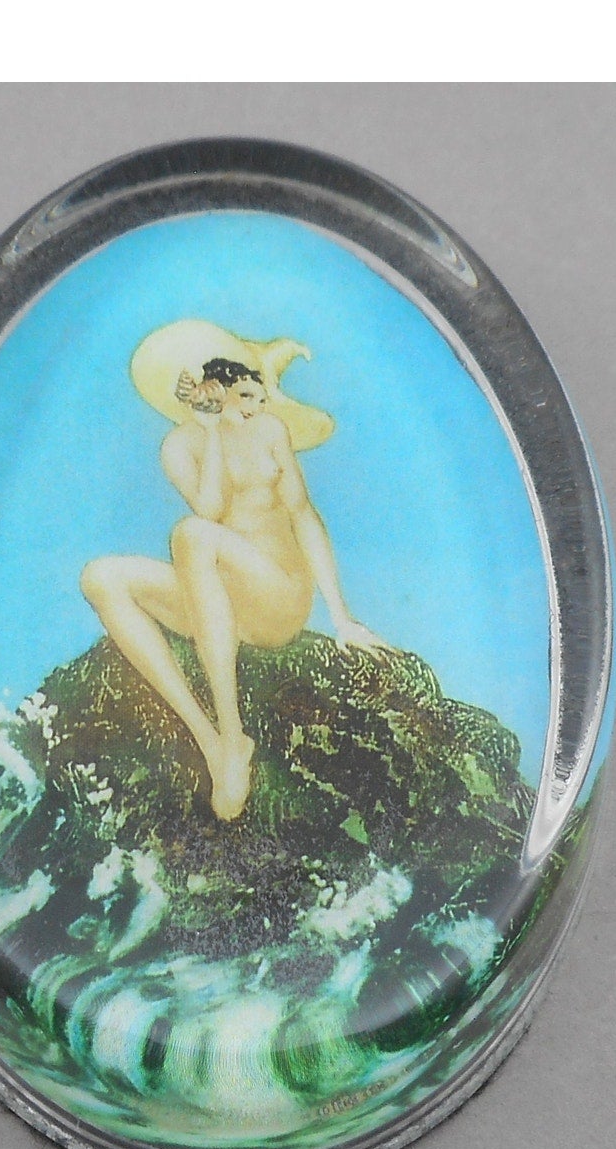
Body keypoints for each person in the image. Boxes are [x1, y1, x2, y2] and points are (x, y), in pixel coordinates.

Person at [81, 337, 390, 821]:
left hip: (277, 597)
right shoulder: (179, 446)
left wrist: (341, 617)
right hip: (221, 604)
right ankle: (213, 740)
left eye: (258, 397)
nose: (254, 406)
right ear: (209, 390)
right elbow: (210, 509)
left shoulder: (270, 432)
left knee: (191, 535)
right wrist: (209, 433)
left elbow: (303, 514)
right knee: (101, 577)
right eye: (243, 395)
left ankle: (232, 732)